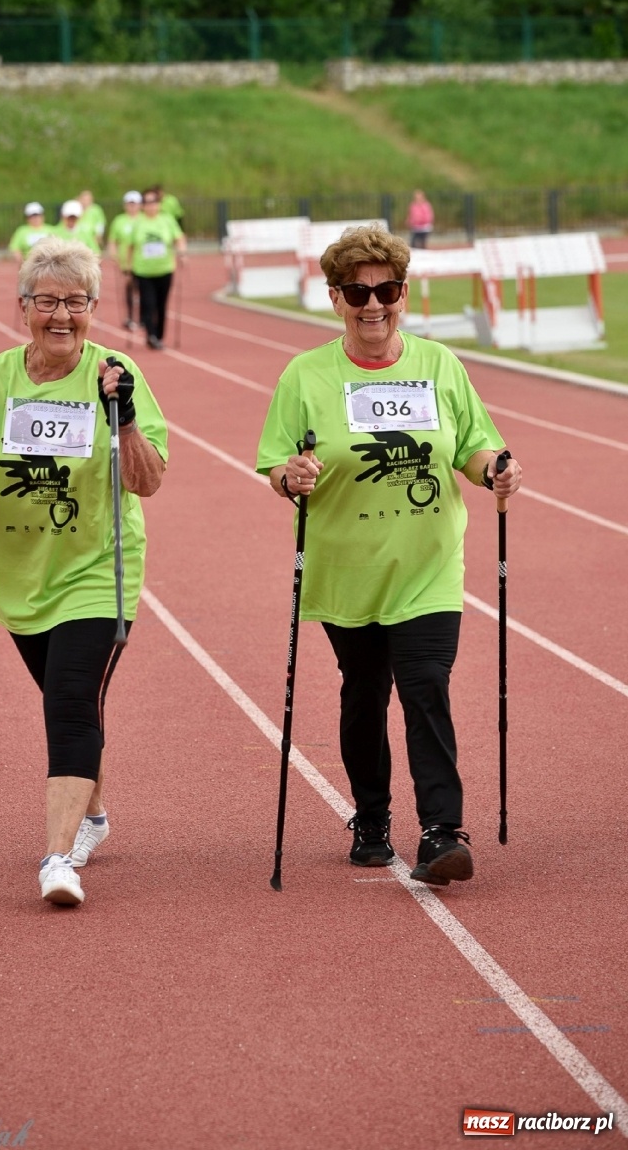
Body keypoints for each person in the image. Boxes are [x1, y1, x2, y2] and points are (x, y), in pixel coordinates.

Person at [256, 224, 522, 887]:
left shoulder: (438, 365)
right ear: (335, 297)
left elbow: (473, 446)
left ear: (404, 293)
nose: (373, 305)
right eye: (357, 292)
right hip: (348, 569)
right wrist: (291, 476)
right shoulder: (305, 374)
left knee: (425, 686)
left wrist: (496, 469)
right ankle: (371, 817)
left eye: (388, 289)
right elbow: (275, 466)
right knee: (363, 695)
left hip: (427, 568)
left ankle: (441, 832)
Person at [0, 238, 168, 908]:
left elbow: (148, 481)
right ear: (23, 309)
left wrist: (126, 423)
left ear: (94, 309)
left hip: (99, 571)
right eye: (49, 302)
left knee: (66, 701)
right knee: (73, 702)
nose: (63, 316)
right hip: (22, 579)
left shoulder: (114, 379)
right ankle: (92, 816)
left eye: (77, 302)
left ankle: (59, 858)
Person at [128, 188, 186, 350]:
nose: (151, 206)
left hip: (165, 269)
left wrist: (181, 252)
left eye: (154, 202)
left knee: (161, 304)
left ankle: (158, 335)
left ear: (159, 205)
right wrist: (128, 267)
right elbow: (131, 246)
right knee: (148, 303)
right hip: (143, 271)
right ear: (143, 206)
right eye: (147, 203)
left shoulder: (167, 220)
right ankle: (151, 335)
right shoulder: (138, 222)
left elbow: (179, 238)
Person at [106, 191, 143, 330]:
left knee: (143, 289)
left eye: (134, 204)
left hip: (142, 261)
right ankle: (130, 316)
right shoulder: (120, 220)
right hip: (126, 262)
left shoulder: (143, 219)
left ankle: (143, 317)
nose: (132, 207)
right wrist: (113, 255)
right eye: (129, 204)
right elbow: (113, 240)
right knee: (129, 288)